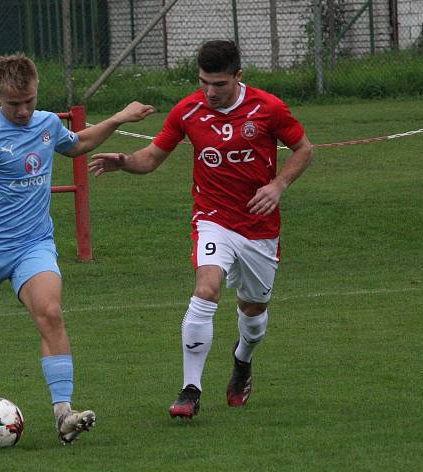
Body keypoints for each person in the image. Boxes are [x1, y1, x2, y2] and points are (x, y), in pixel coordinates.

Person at [0, 53, 155, 443]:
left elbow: (79, 143)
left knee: (50, 311)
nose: (22, 111)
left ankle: (63, 414)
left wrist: (119, 117)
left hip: (34, 244)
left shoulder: (48, 123)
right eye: (13, 104)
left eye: (29, 101)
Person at [88, 40, 313, 418]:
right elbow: (152, 158)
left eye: (219, 84)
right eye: (203, 82)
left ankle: (242, 360)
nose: (209, 91)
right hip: (212, 219)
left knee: (253, 313)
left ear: (238, 77)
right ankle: (190, 389)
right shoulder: (188, 111)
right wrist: (124, 161)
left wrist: (277, 186)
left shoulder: (269, 108)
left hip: (259, 227)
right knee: (206, 287)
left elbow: (305, 149)